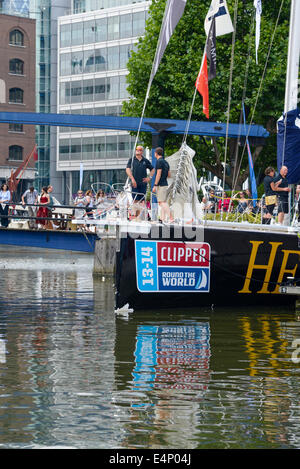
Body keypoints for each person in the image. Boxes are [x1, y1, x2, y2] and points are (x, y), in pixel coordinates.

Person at [152, 147, 173, 223]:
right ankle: (162, 219)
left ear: (156, 153)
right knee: (162, 202)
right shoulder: (166, 162)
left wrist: (155, 185)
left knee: (162, 202)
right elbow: (169, 175)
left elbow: (158, 173)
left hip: (160, 185)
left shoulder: (159, 162)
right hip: (165, 184)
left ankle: (171, 218)